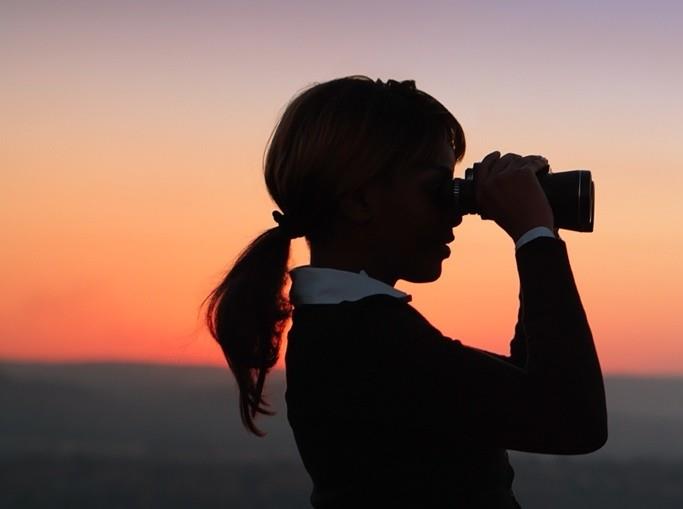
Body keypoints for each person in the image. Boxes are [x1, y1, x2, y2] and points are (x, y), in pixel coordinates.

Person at [201, 75, 607, 507]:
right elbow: (572, 419)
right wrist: (534, 236)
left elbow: (526, 388)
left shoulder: (346, 327)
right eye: (437, 188)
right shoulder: (366, 341)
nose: (455, 213)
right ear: (359, 201)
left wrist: (535, 231)